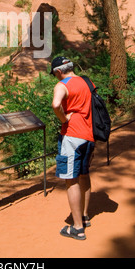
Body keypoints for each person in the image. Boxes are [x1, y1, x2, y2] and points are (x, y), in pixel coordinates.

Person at [51, 56, 95, 241]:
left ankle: (77, 228)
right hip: (89, 135)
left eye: (55, 75)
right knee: (84, 174)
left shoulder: (63, 85)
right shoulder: (87, 81)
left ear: (59, 71)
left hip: (72, 136)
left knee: (71, 179)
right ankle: (84, 217)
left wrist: (64, 119)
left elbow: (56, 105)